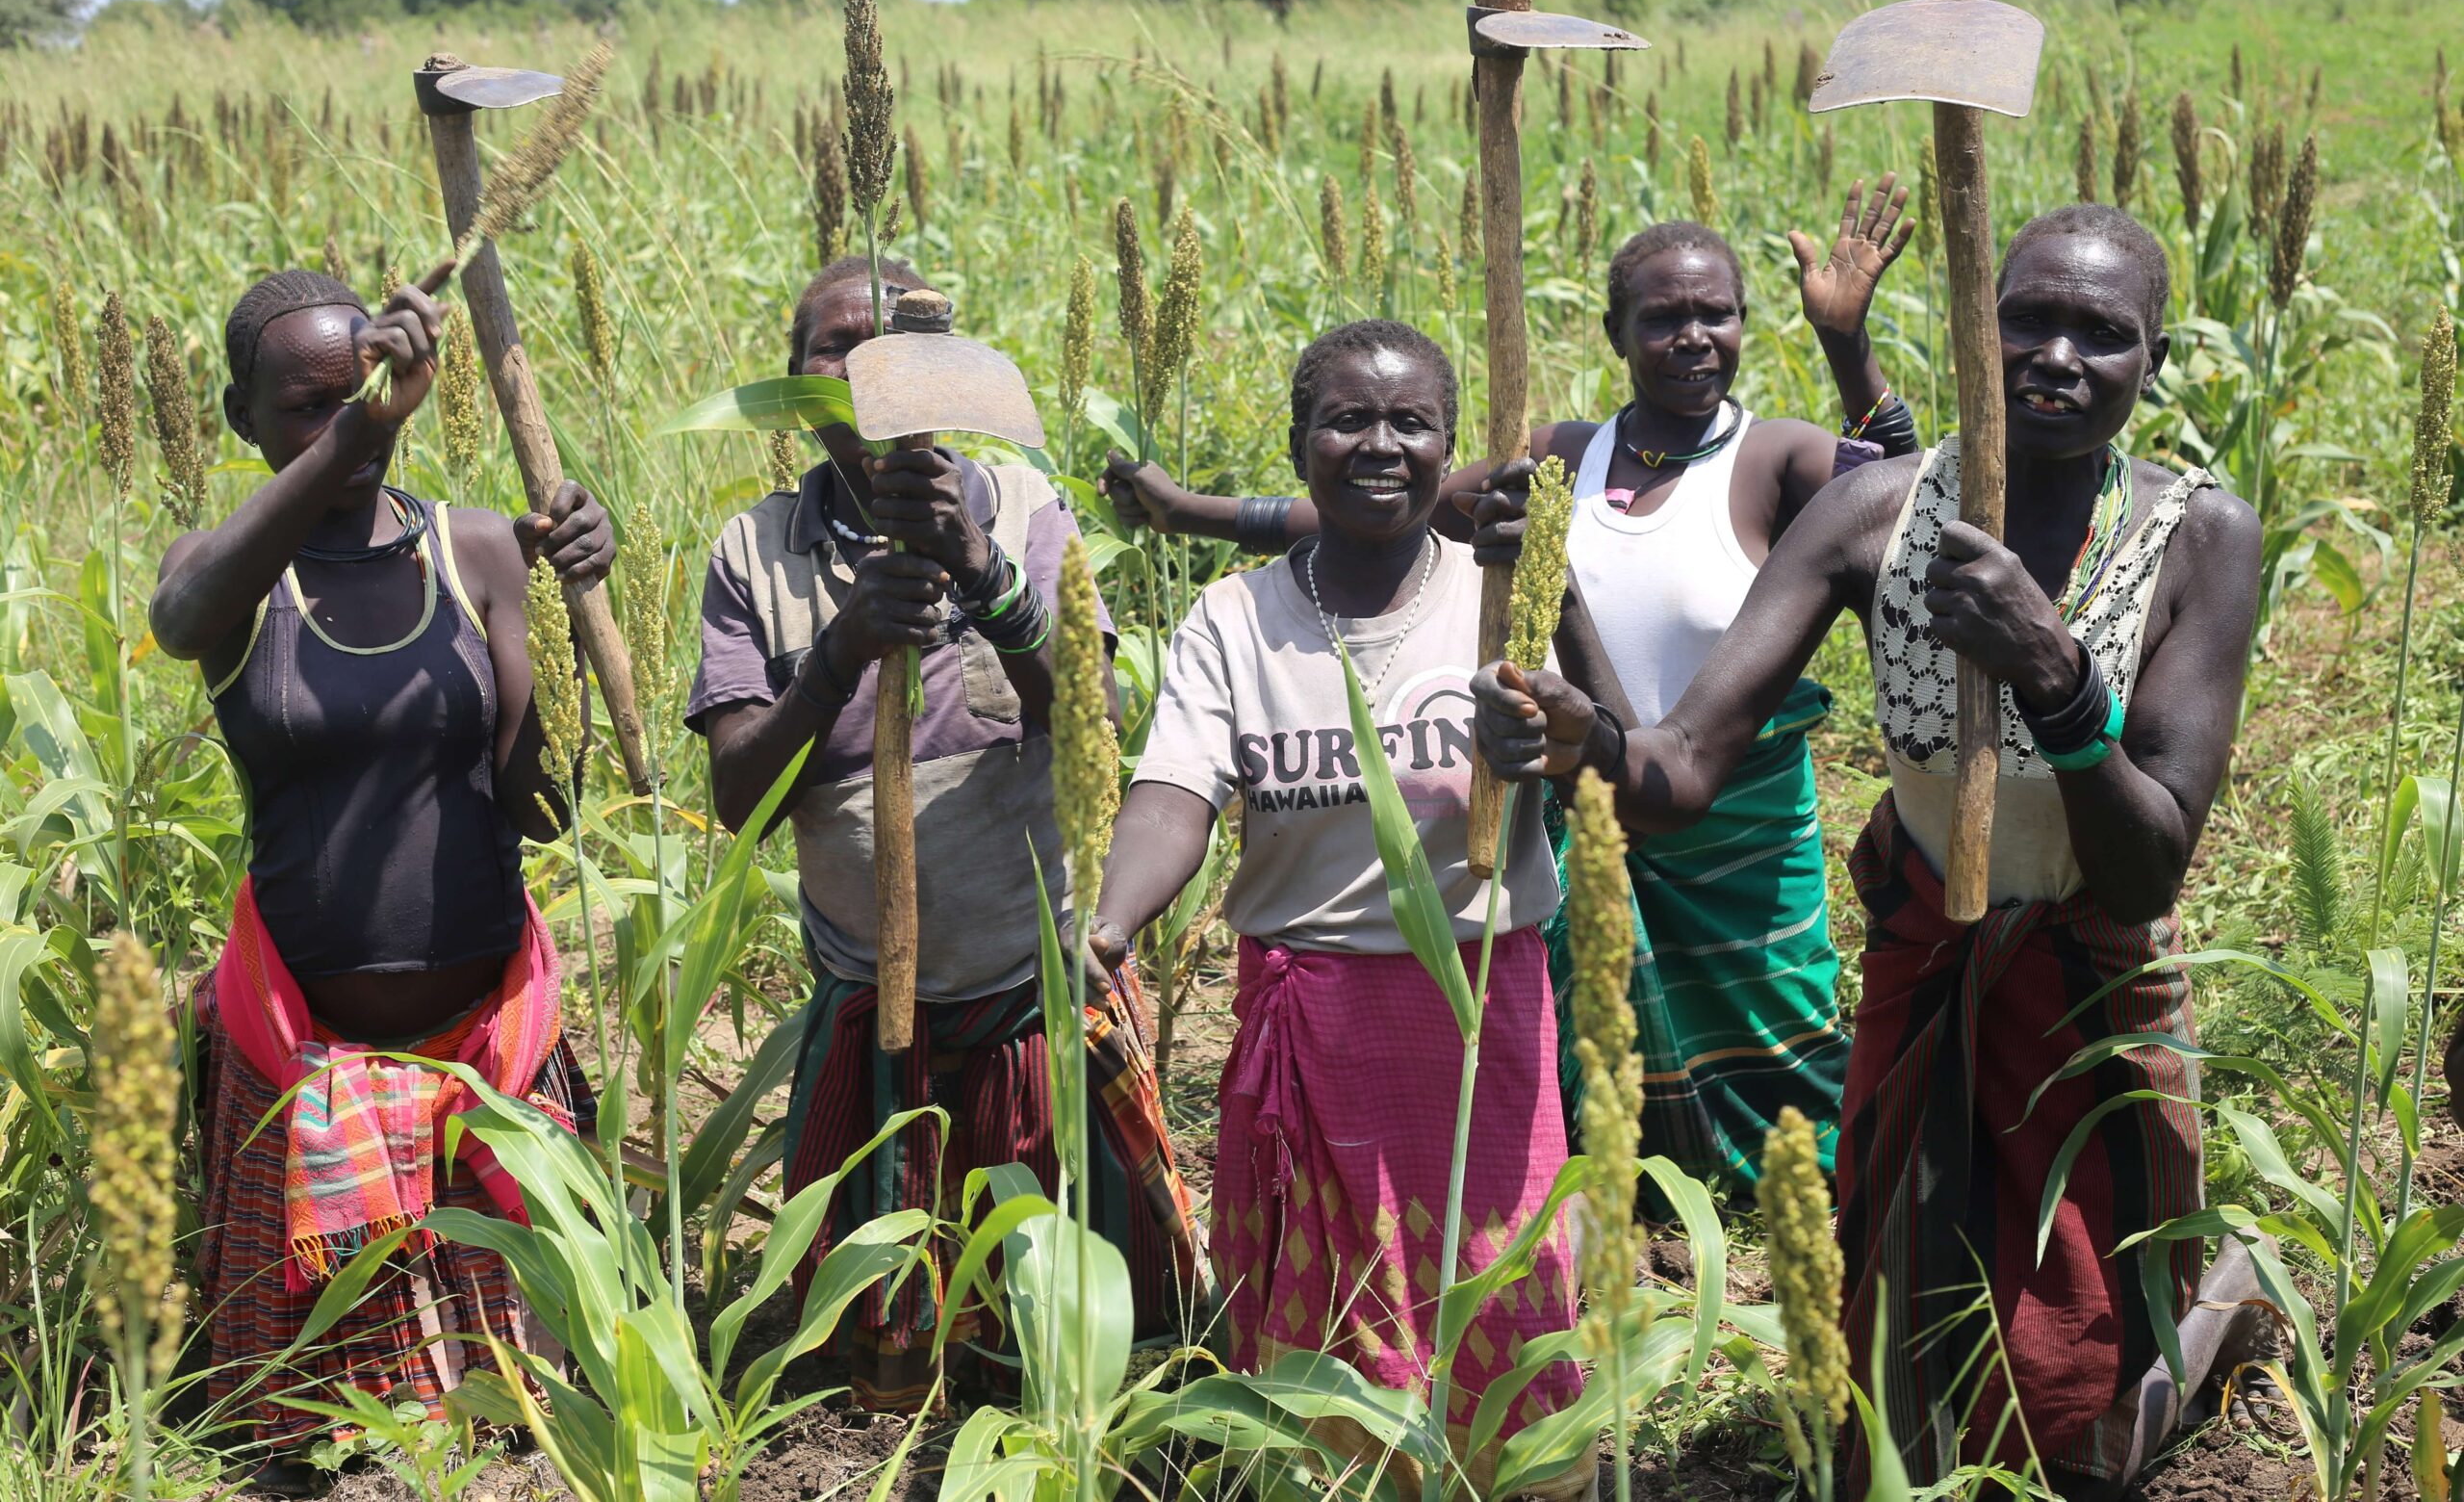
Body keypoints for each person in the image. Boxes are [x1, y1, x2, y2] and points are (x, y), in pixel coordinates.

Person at [1471, 206, 2274, 1496]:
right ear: (1976, 326)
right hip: (1931, 964)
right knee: (1893, 1383)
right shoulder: (1874, 515)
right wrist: (1589, 735)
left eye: (2101, 334)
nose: (2057, 355)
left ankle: (2215, 1308)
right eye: (2028, 319)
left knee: (2083, 1413)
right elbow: (1679, 770)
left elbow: (2149, 866)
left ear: (2153, 356)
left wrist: (2057, 676)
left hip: (2093, 979)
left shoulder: (2199, 534)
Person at [1100, 179, 1925, 1188]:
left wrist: (1847, 344)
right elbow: (1384, 504)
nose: (1692, 338)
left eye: (1716, 315)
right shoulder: (1563, 456)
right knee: (1596, 1014)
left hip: (1727, 806)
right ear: (1617, 332)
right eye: (1661, 318)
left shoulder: (1776, 456)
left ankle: (1793, 1175)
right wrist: (1196, 513)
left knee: (1774, 1009)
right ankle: (1607, 1176)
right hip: (1584, 780)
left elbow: (1902, 507)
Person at [688, 254, 1201, 1411]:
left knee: (1084, 1327)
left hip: (1039, 988)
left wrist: (982, 575)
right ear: (793, 386)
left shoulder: (1020, 511)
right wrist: (839, 654)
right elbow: (737, 797)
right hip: (876, 996)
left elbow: (1095, 726)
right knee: (882, 1357)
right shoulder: (754, 554)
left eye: (892, 346)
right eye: (832, 349)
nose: (867, 376)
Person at [1087, 319, 1586, 1498]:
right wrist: (1107, 920)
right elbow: (1173, 794)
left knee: (1497, 1285)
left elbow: (1606, 746)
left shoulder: (1505, 596)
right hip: (1310, 1022)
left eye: (1410, 424)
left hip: (1476, 1013)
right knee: (1331, 1336)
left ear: (1450, 446)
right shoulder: (1235, 617)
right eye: (1346, 419)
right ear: (1299, 440)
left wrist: (1551, 716)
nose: (1379, 446)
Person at [152, 270, 611, 1491]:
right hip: (308, 1056)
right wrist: (368, 421)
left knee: (529, 1426)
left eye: (352, 388)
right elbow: (180, 621)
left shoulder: (470, 551)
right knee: (322, 1445)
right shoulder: (231, 576)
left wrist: (575, 600)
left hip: (489, 1054)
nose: (340, 421)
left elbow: (543, 808)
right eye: (303, 406)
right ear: (243, 419)